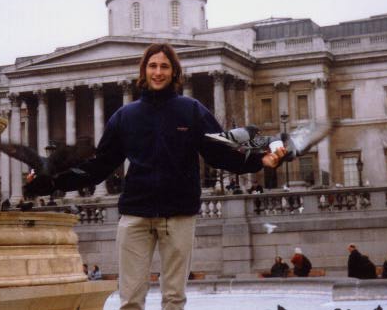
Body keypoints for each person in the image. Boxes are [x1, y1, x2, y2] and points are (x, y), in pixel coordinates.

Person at [26, 43, 287, 310]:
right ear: (144, 70)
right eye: (153, 66)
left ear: (174, 72)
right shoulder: (125, 116)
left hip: (179, 215)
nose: (158, 72)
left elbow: (220, 154)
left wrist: (259, 160)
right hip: (135, 216)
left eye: (164, 66)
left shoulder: (192, 110)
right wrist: (54, 182)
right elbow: (99, 166)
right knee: (130, 300)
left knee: (174, 298)